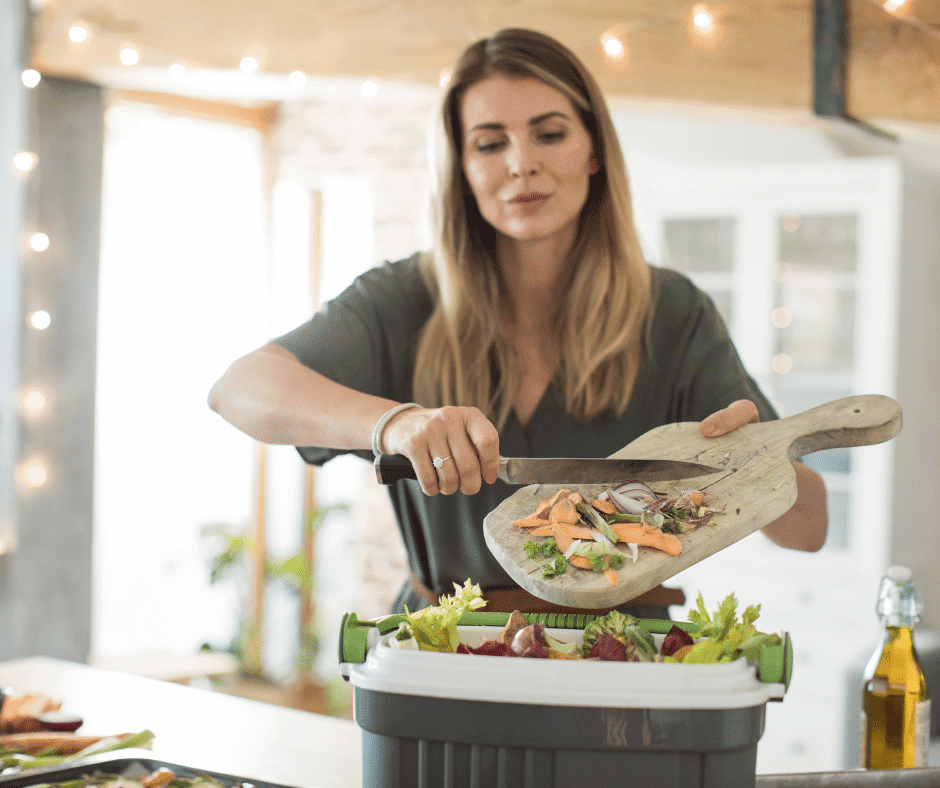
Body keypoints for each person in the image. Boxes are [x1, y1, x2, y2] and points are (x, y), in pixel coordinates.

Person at [208, 28, 827, 618]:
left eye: (549, 134)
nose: (521, 164)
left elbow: (809, 531)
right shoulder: (402, 298)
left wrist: (753, 465)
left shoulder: (673, 311)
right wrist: (397, 424)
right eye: (489, 143)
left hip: (617, 662)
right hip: (444, 655)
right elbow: (238, 389)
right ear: (462, 169)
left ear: (593, 152)